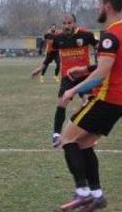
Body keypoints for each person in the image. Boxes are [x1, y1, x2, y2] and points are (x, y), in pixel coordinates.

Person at [57, 0, 122, 212]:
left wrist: (72, 91)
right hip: (119, 101)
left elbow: (102, 74)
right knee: (84, 144)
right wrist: (86, 68)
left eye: (99, 3)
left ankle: (82, 192)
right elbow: (112, 64)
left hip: (106, 99)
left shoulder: (110, 35)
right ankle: (97, 195)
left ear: (107, 5)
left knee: (67, 139)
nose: (97, 6)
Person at [31, 14, 98, 147]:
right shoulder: (58, 38)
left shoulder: (86, 35)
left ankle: (88, 135)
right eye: (64, 23)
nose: (67, 26)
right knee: (62, 102)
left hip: (84, 75)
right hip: (67, 77)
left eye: (69, 23)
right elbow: (51, 55)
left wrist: (99, 63)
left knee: (88, 102)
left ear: (74, 23)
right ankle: (56, 135)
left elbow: (99, 46)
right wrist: (41, 68)